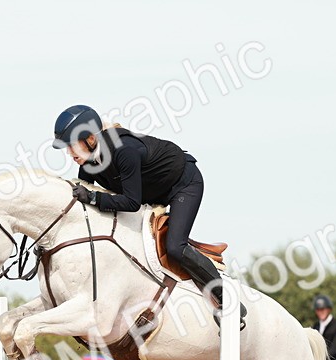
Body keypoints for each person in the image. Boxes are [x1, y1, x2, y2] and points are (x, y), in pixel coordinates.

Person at [51, 104, 244, 327]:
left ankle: (227, 301)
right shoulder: (88, 163)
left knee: (175, 247)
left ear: (90, 139)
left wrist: (93, 198)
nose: (69, 154)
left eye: (71, 146)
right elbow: (83, 199)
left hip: (183, 185)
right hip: (150, 193)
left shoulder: (124, 151)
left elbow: (130, 203)